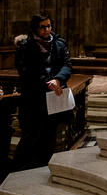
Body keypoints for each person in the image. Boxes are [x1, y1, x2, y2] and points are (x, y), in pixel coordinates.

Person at [11, 15, 72, 172]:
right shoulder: (25, 46)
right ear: (35, 28)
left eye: (49, 26)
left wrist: (58, 79)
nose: (47, 29)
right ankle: (17, 172)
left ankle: (41, 170)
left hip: (54, 95)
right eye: (42, 27)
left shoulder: (59, 43)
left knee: (49, 136)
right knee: (30, 136)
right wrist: (48, 84)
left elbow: (67, 65)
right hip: (34, 97)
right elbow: (26, 71)